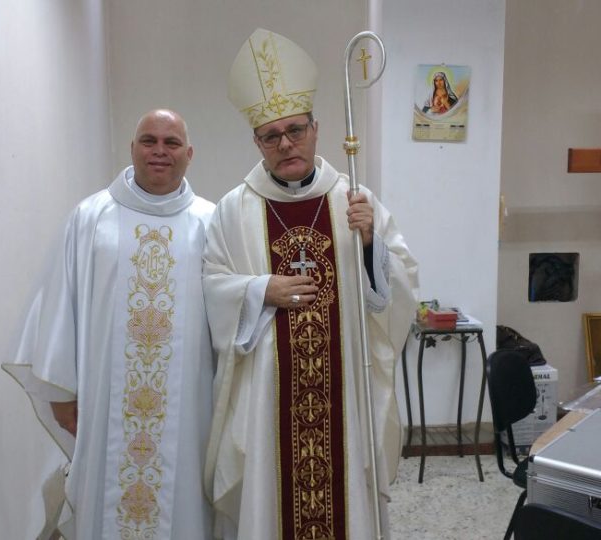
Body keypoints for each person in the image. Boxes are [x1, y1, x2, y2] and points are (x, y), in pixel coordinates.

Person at [203, 29, 419, 540]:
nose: (286, 144)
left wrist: (370, 244)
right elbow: (212, 286)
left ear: (316, 128)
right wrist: (259, 291)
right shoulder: (234, 209)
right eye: (271, 135)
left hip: (342, 390)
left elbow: (401, 285)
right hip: (268, 397)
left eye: (295, 130)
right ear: (257, 142)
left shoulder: (354, 200)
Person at [4, 109, 214, 539]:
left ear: (189, 154)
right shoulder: (92, 216)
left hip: (190, 406)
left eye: (171, 143)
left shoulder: (211, 222)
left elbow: (232, 308)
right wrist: (61, 391)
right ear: (132, 148)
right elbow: (62, 303)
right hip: (105, 406)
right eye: (149, 140)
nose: (160, 151)